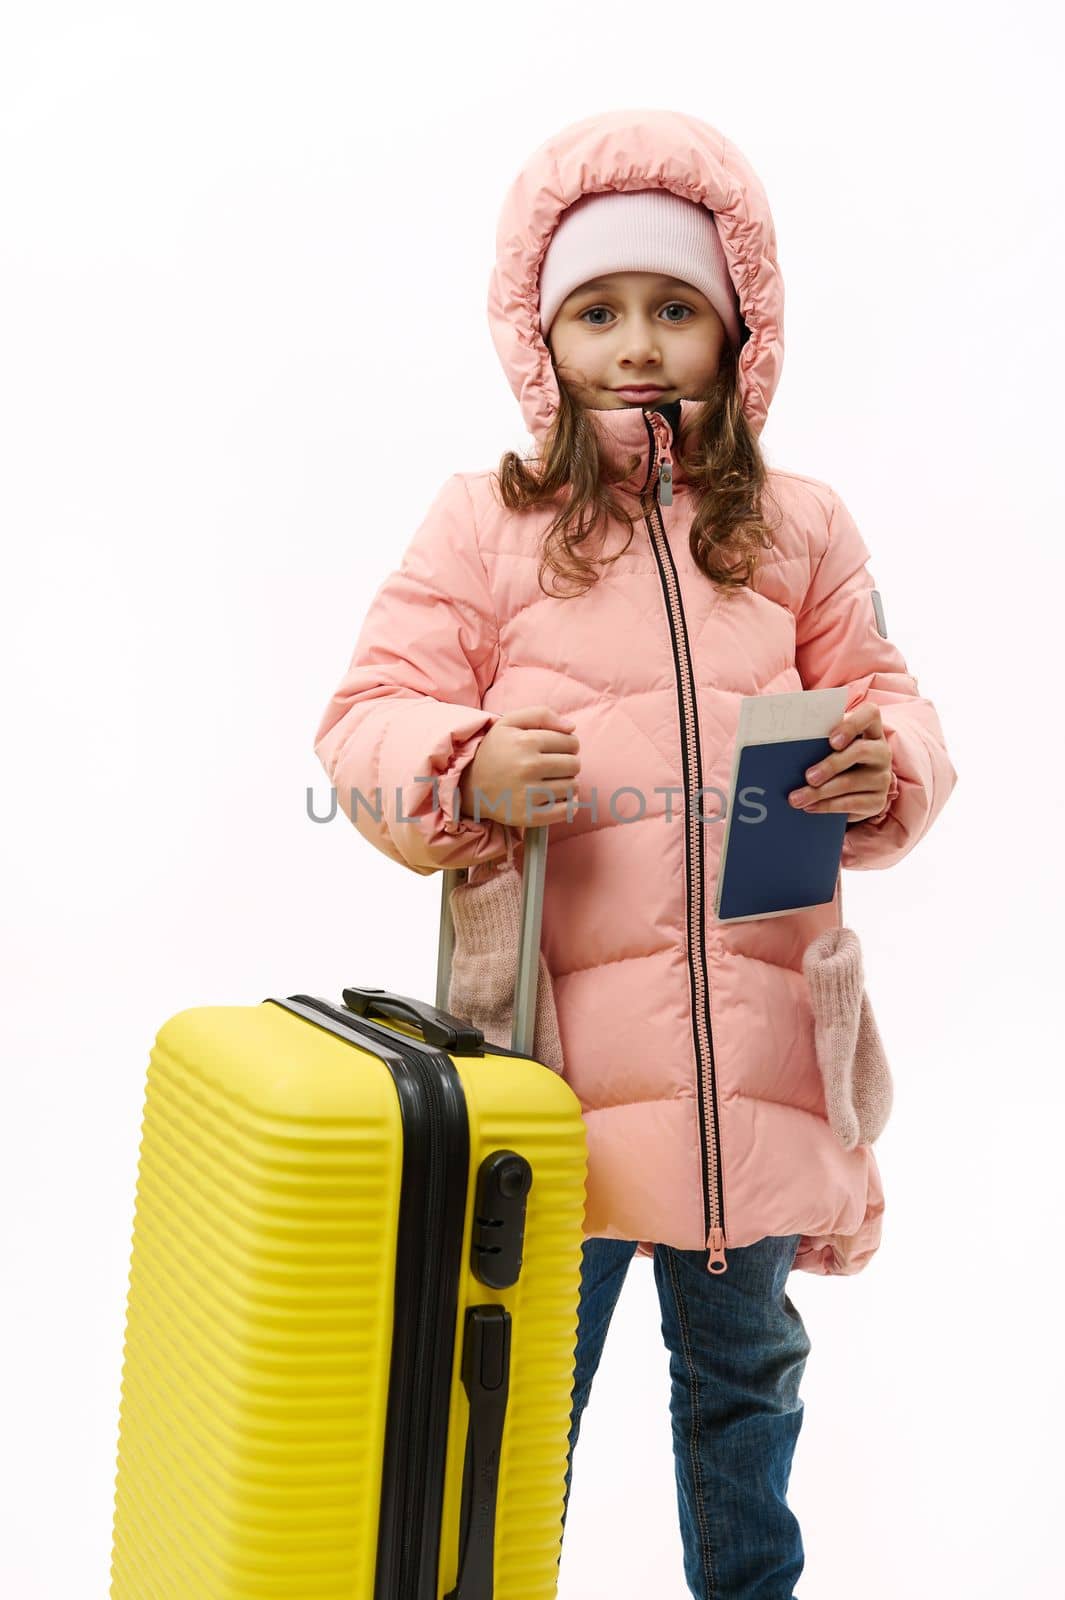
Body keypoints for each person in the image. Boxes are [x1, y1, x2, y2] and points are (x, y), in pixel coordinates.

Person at [313, 107, 958, 1599]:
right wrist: (463, 760)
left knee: (746, 1397)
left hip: (754, 1070)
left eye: (676, 308)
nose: (638, 342)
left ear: (737, 334)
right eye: (597, 310)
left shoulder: (795, 528)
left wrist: (883, 762)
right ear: (542, 339)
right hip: (557, 1079)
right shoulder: (488, 523)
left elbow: (893, 697)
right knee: (522, 1403)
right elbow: (363, 716)